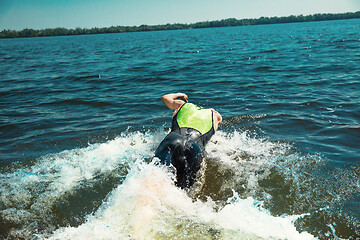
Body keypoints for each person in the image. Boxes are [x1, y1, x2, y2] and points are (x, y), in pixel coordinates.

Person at [155, 93, 222, 188]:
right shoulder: (215, 115)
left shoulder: (183, 105)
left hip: (173, 139)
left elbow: (165, 98)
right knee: (184, 192)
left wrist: (179, 94)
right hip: (195, 147)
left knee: (154, 178)